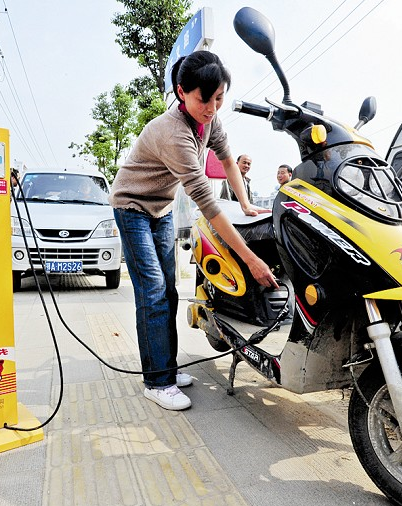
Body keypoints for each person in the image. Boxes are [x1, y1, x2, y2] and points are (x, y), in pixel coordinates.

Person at [109, 50, 278, 411]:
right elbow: (208, 203)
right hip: (132, 206)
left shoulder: (210, 120)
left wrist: (247, 205)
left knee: (169, 292)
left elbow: (228, 159)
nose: (212, 107)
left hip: (161, 207)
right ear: (181, 91)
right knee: (152, 291)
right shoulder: (172, 133)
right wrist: (250, 260)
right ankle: (157, 382)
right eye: (205, 98)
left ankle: (164, 367)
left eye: (219, 98)